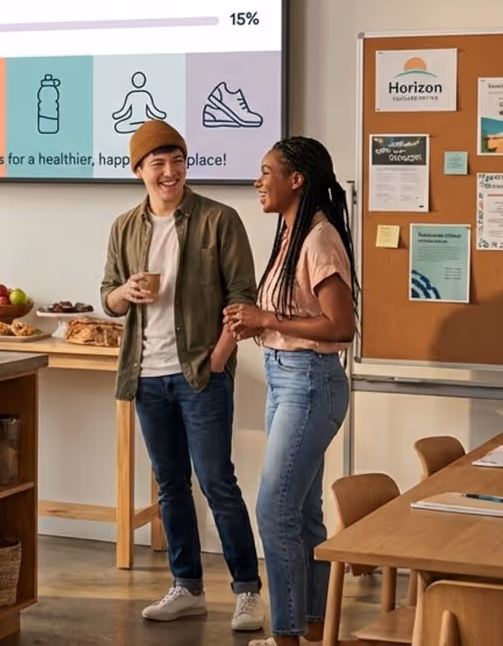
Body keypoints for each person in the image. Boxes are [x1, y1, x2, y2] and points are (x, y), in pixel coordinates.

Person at [99, 119, 265, 632]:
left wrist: (218, 358)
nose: (170, 172)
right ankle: (187, 587)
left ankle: (247, 592)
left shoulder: (220, 220)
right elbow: (107, 298)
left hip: (200, 374)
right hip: (146, 376)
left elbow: (243, 298)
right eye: (158, 164)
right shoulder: (125, 227)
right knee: (171, 485)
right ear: (139, 171)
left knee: (218, 481)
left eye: (177, 161)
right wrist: (124, 293)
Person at [224, 137, 357, 646]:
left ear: (295, 179)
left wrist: (268, 319)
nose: (258, 181)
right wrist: (256, 325)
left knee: (274, 509)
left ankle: (285, 637)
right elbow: (298, 318)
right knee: (301, 514)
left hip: (309, 383)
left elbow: (342, 326)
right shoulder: (290, 234)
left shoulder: (318, 238)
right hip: (287, 376)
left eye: (266, 171)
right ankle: (314, 628)